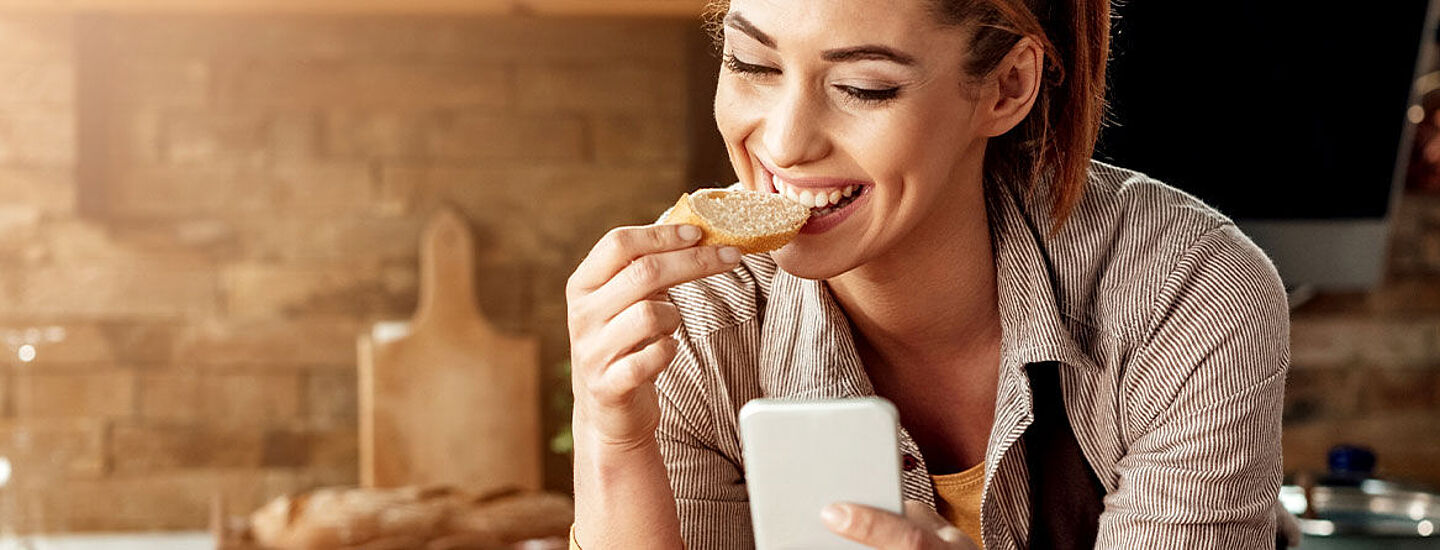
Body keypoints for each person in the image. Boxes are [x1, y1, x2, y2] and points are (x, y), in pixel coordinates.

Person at [565, 0, 1292, 548]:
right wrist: (613, 437)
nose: (784, 142)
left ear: (1006, 87)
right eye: (752, 65)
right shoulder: (689, 311)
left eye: (864, 86)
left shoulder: (1187, 292)